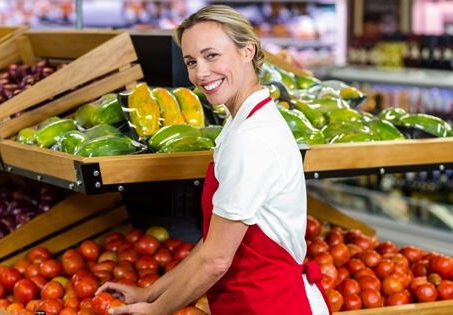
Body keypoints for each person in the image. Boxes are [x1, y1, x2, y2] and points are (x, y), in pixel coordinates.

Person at [96, 5, 331, 315]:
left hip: (272, 305)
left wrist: (155, 311)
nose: (201, 74)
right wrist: (150, 293)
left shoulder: (252, 139)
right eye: (191, 62)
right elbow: (213, 244)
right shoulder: (241, 125)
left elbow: (216, 260)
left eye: (211, 56)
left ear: (248, 51)